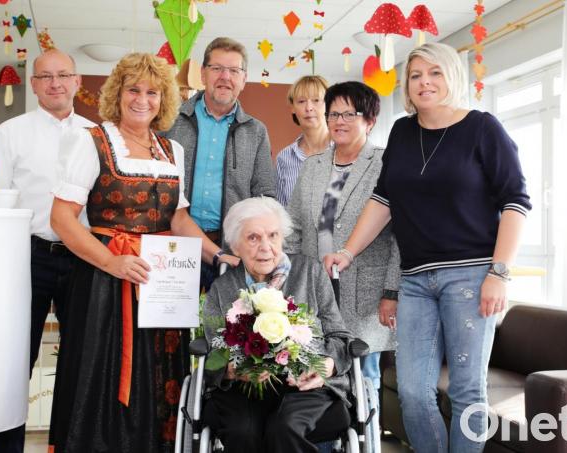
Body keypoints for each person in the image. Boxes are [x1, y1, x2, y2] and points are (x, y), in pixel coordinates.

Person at [324, 42, 531, 453]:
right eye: (416, 75)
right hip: (415, 280)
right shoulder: (402, 131)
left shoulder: (482, 128)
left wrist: (499, 272)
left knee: (467, 392)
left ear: (452, 76)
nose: (424, 82)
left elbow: (516, 202)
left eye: (435, 73)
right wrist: (347, 252)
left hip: (471, 276)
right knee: (414, 393)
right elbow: (384, 199)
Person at [47, 52, 238, 452]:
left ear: (163, 99)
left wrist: (218, 256)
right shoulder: (90, 142)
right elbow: (62, 219)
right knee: (105, 372)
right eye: (133, 90)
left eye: (153, 93)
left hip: (160, 281)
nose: (142, 100)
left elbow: (179, 219)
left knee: (159, 372)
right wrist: (112, 262)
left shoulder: (171, 151)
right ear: (117, 93)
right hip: (105, 282)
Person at [0, 48, 95, 453]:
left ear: (77, 81)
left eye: (63, 75)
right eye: (45, 76)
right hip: (27, 258)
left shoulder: (98, 136)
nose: (55, 84)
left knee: (79, 361)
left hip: (83, 258)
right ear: (33, 85)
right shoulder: (8, 134)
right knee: (17, 363)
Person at [202, 197, 353, 453]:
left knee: (286, 427)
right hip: (245, 390)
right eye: (253, 238)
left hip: (307, 386)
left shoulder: (310, 272)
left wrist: (327, 366)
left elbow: (340, 336)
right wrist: (232, 370)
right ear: (236, 246)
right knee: (242, 431)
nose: (266, 247)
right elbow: (212, 353)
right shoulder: (222, 288)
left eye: (273, 235)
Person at [285, 81, 400, 406]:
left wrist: (391, 292)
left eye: (350, 114)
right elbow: (294, 227)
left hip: (366, 292)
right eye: (334, 114)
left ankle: (367, 432)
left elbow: (400, 237)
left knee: (363, 375)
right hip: (315, 288)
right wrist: (286, 278)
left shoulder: (386, 163)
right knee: (316, 370)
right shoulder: (313, 165)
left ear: (370, 120)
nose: (339, 121)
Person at [161, 36, 276, 292]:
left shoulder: (256, 131)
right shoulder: (170, 121)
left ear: (244, 79)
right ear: (203, 74)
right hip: (173, 246)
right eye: (217, 68)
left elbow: (265, 196)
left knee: (225, 318)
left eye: (234, 70)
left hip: (231, 254)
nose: (225, 77)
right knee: (172, 319)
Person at [275, 75, 332, 206]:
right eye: (301, 101)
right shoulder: (284, 158)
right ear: (293, 108)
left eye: (316, 100)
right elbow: (280, 211)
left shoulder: (346, 151)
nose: (309, 108)